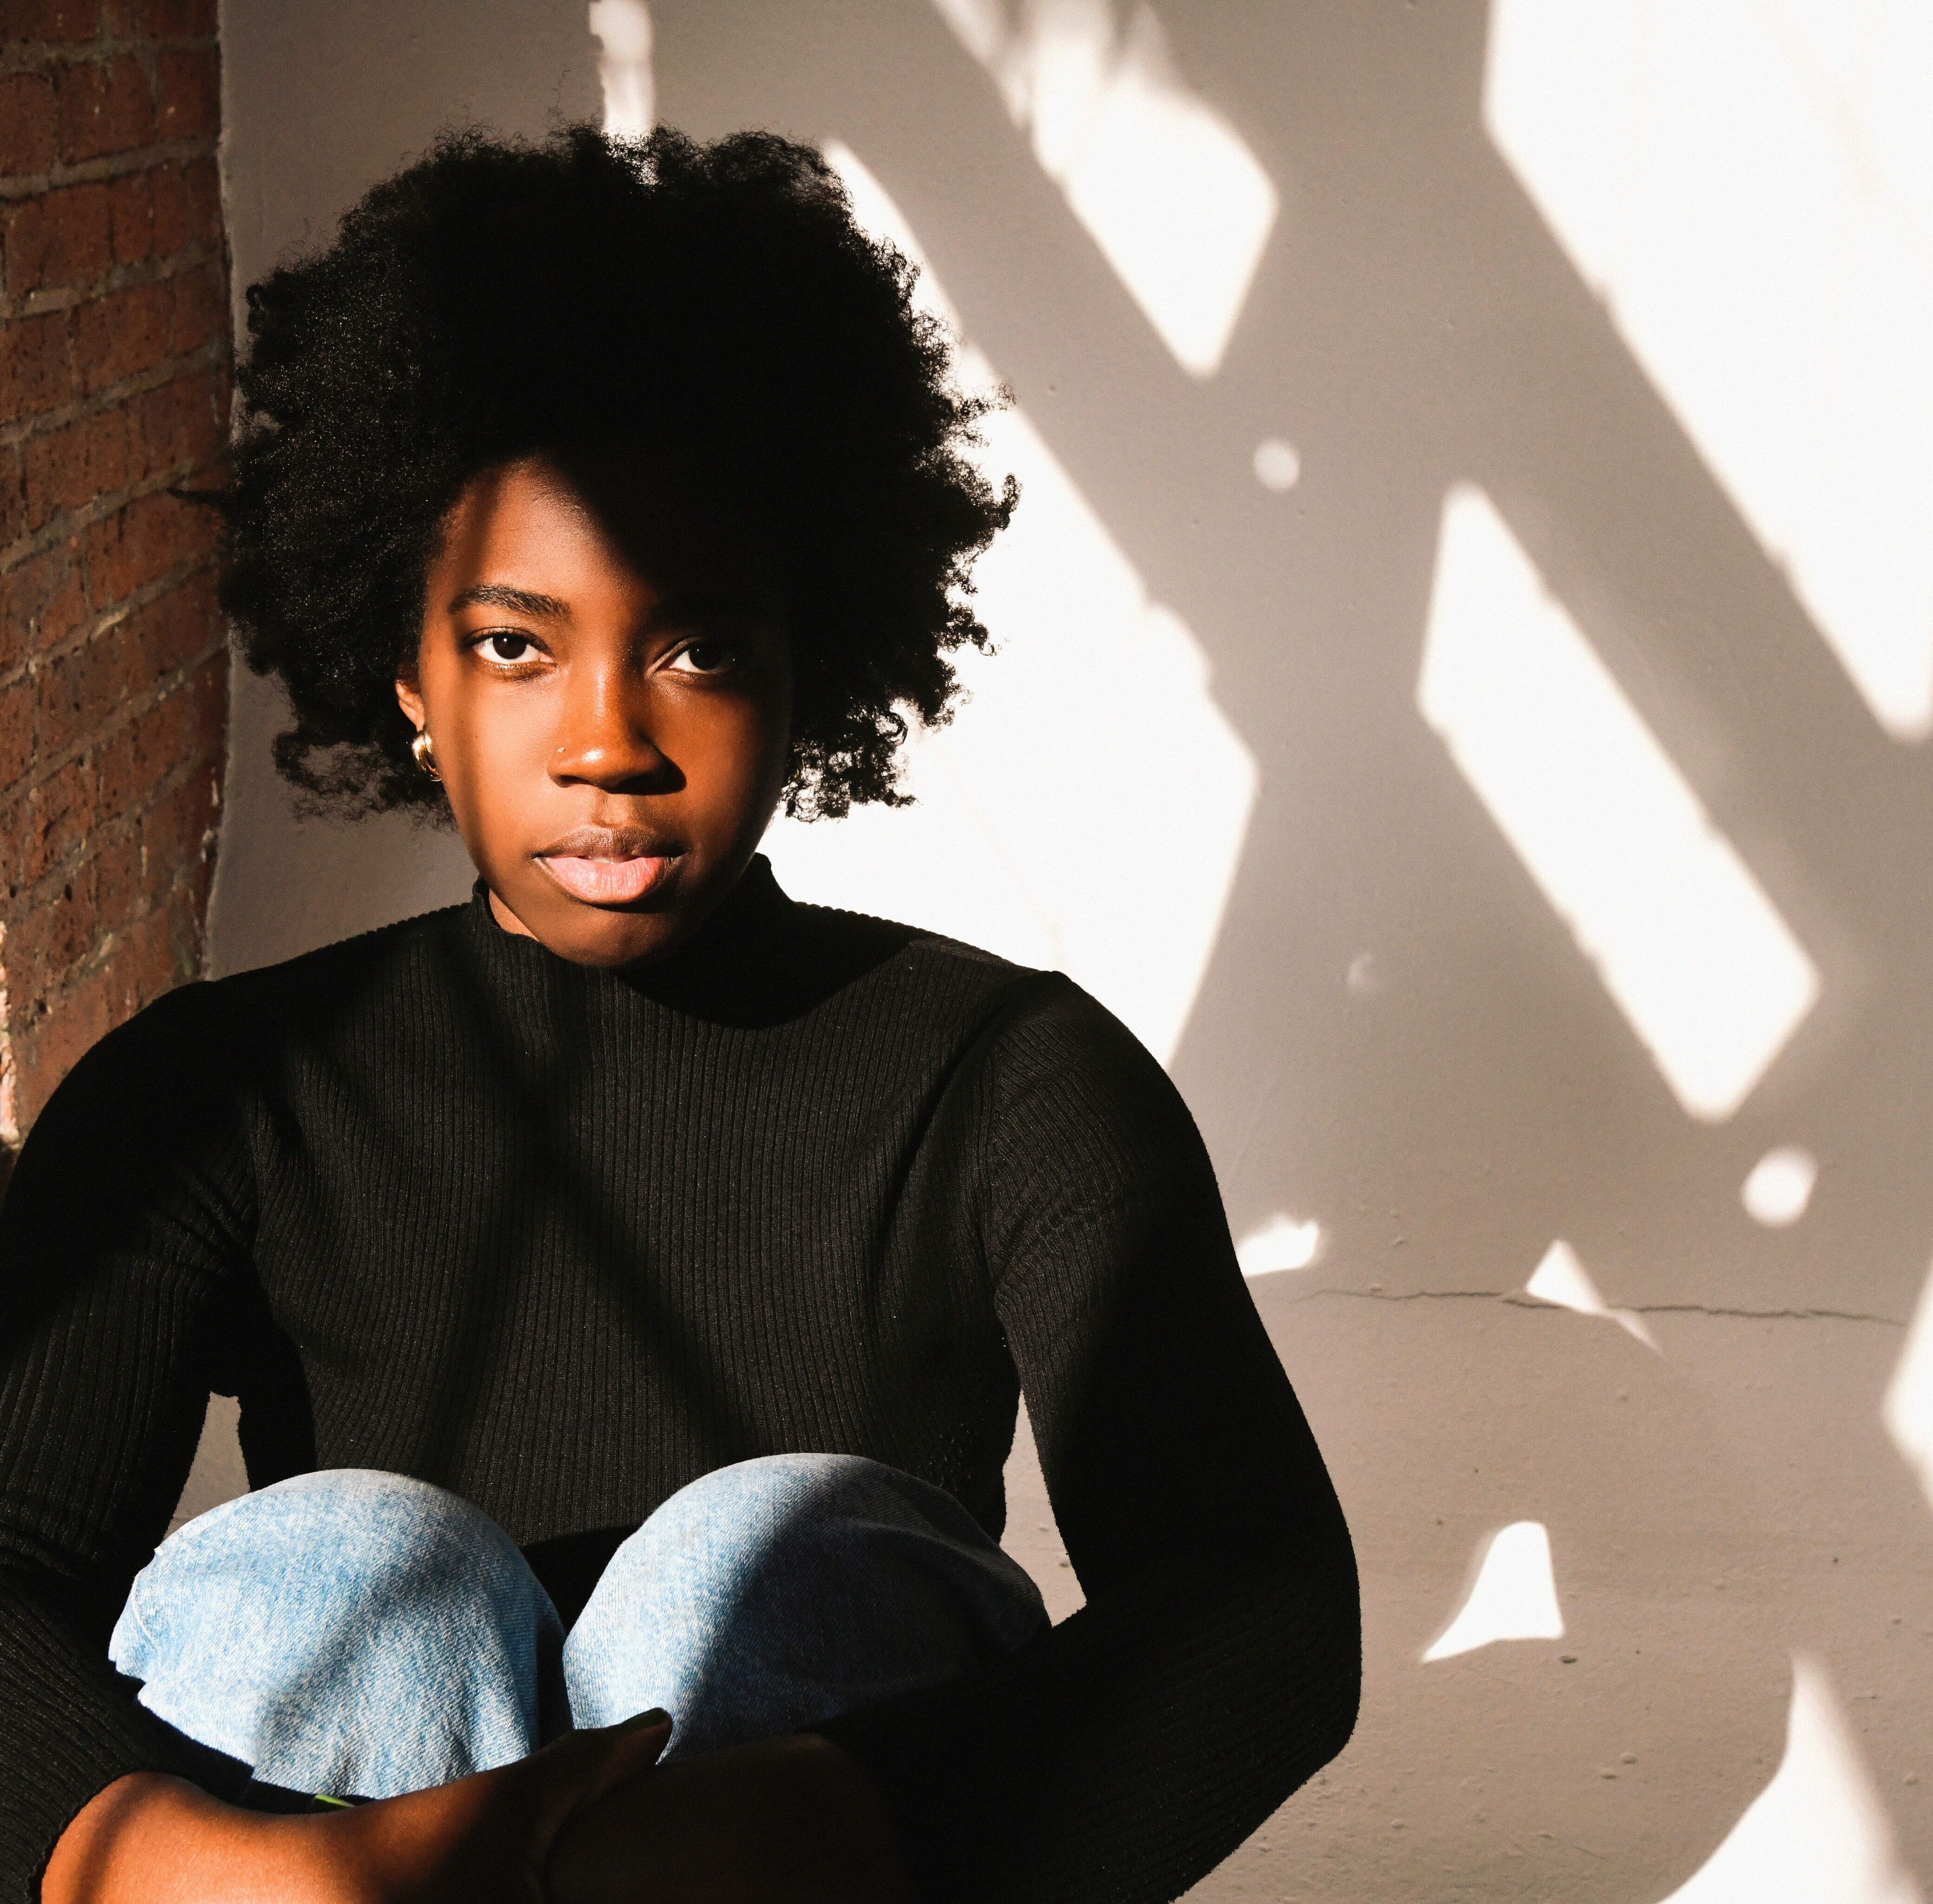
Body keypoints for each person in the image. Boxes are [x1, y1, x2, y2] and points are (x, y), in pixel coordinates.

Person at [0, 126, 1359, 1904]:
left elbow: (1259, 1602)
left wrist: (799, 1825)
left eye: (697, 649)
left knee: (778, 1554)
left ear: (809, 672)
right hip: (350, 1855)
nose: (607, 743)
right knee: (338, 1570)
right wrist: (195, 1865)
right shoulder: (216, 1090)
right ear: (408, 679)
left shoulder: (1008, 1078)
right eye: (515, 645)